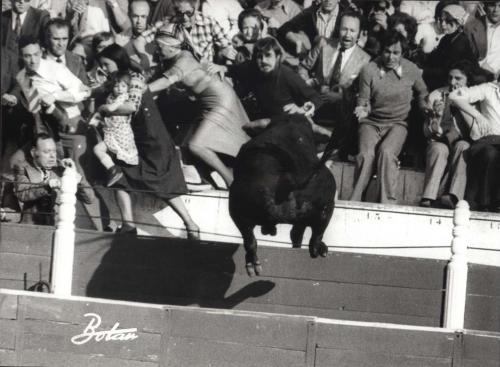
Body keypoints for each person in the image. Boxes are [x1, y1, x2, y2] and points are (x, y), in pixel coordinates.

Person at [96, 44, 199, 236]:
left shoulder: (135, 79)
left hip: (152, 137)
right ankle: (128, 224)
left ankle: (190, 223)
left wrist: (103, 110)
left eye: (106, 64)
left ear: (118, 61)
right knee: (120, 176)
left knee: (161, 182)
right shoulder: (115, 83)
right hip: (133, 138)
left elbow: (131, 107)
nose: (103, 69)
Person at [148, 26, 251, 188]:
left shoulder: (184, 60)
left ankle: (230, 180)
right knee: (181, 144)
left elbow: (166, 81)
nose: (157, 50)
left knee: (196, 145)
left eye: (159, 46)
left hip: (221, 101)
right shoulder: (174, 59)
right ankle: (204, 177)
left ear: (170, 46)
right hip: (207, 103)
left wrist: (141, 91)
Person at [350, 31, 428, 204]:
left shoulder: (411, 70)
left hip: (398, 124)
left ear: (402, 53)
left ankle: (387, 203)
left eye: (396, 53)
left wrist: (424, 107)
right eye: (387, 51)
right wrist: (363, 109)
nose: (391, 57)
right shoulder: (369, 70)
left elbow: (423, 92)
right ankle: (355, 201)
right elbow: (364, 100)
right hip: (371, 122)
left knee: (386, 152)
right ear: (380, 51)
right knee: (365, 154)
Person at [298, 10, 370, 158]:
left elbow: (362, 93)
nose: (347, 35)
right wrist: (307, 84)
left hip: (342, 110)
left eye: (352, 30)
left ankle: (334, 150)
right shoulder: (324, 45)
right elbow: (303, 67)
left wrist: (340, 97)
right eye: (344, 29)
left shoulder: (365, 60)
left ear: (359, 33)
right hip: (314, 101)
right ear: (338, 29)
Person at [420, 61, 475, 209]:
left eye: (458, 78)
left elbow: (476, 132)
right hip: (440, 141)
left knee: (463, 147)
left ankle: (453, 197)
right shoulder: (436, 95)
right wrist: (435, 117)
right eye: (450, 78)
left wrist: (462, 106)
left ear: (467, 80)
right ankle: (428, 197)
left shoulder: (474, 97)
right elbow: (426, 132)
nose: (452, 82)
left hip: (462, 140)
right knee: (439, 149)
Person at [14, 134, 94, 225]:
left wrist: (79, 178)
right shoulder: (23, 168)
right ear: (34, 152)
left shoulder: (62, 169)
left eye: (54, 151)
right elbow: (22, 193)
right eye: (47, 152)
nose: (52, 156)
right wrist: (47, 185)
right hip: (32, 231)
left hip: (58, 228)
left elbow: (89, 199)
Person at [449, 74, 500, 211]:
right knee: (490, 153)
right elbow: (454, 96)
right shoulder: (488, 89)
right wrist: (478, 116)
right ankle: (485, 203)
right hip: (487, 141)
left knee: (493, 154)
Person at [89, 72, 138, 187]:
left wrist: (101, 108)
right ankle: (113, 170)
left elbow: (111, 108)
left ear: (128, 88)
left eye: (123, 86)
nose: (120, 89)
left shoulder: (123, 97)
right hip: (111, 132)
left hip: (121, 134)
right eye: (116, 86)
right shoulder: (111, 96)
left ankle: (114, 170)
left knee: (98, 150)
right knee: (98, 149)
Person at [423, 4, 476, 91]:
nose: (443, 24)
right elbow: (436, 58)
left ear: (458, 22)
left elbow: (446, 69)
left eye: (448, 21)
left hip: (459, 82)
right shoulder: (447, 38)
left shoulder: (460, 41)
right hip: (447, 78)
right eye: (442, 20)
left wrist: (424, 71)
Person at [168, 0, 236, 63]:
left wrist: (225, 67)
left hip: (206, 71)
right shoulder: (171, 27)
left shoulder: (209, 22)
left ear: (195, 8)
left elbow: (228, 46)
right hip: (181, 71)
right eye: (180, 13)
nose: (185, 18)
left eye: (189, 13)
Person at [277, 0, 347, 56]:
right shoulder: (310, 12)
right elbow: (284, 28)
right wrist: (297, 41)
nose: (328, 0)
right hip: (312, 61)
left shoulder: (347, 15)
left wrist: (326, 41)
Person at [44, 18, 89, 84]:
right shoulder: (37, 60)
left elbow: (85, 88)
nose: (61, 44)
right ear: (47, 39)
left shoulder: (76, 59)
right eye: (56, 39)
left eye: (64, 39)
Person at [465, 1, 500, 77]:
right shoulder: (471, 27)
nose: (496, 10)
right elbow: (468, 59)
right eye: (492, 5)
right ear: (484, 6)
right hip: (479, 77)